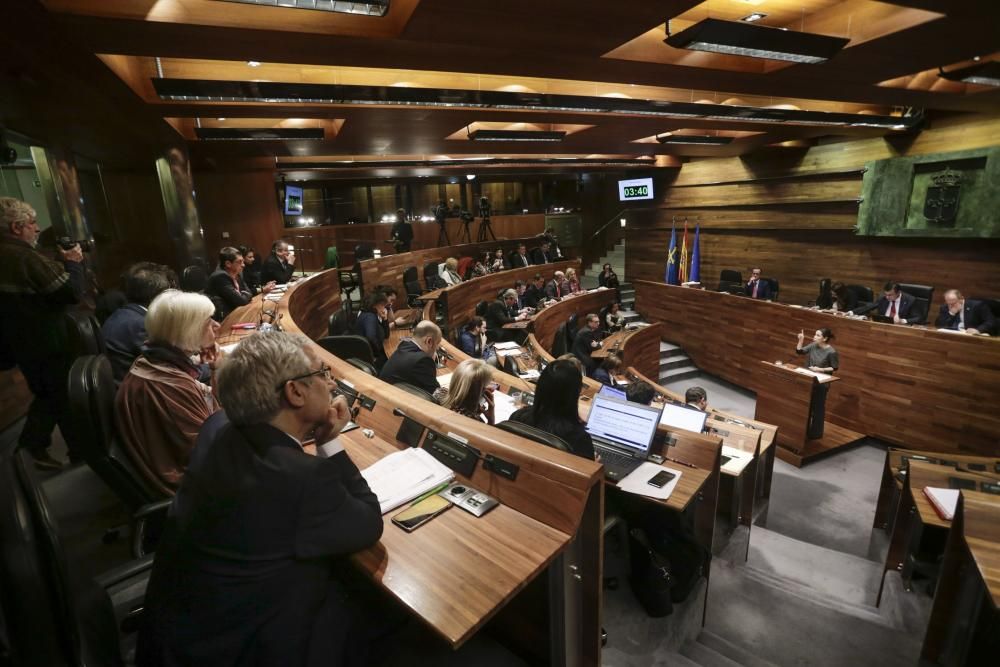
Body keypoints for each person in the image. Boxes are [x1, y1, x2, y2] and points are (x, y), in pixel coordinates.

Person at [136, 332, 383, 667]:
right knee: (371, 602)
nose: (330, 383)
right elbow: (368, 522)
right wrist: (329, 442)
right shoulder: (301, 478)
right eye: (322, 374)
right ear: (295, 392)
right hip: (242, 646)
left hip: (180, 631)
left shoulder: (217, 426)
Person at [0, 197, 86, 470]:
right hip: (46, 340)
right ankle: (75, 453)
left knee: (48, 395)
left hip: (21, 342)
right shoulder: (23, 255)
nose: (37, 229)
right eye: (33, 223)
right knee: (63, 397)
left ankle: (33, 448)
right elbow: (69, 292)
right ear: (16, 227)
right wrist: (73, 263)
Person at [115, 290, 222, 495]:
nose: (216, 326)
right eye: (209, 321)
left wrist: (215, 368)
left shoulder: (152, 361)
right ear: (189, 330)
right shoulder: (169, 386)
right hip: (191, 487)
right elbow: (214, 450)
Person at [101, 262, 176, 384]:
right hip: (140, 395)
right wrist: (214, 365)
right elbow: (173, 371)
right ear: (158, 296)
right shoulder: (141, 325)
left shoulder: (126, 314)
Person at [510, 359, 594, 460]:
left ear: (539, 386)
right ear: (575, 393)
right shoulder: (580, 440)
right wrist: (593, 464)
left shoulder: (518, 417)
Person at [795, 327, 839, 439]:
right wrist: (800, 340)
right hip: (809, 380)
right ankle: (804, 430)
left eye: (818, 335)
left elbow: (834, 368)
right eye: (815, 334)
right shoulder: (813, 345)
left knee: (818, 408)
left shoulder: (831, 352)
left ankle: (816, 433)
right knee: (806, 406)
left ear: (825, 338)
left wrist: (820, 369)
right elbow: (800, 351)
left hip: (821, 383)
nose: (814, 337)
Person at [207, 246, 275, 320]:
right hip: (223, 320)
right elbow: (241, 301)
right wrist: (244, 295)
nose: (243, 265)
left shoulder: (237, 274)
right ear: (228, 264)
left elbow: (249, 293)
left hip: (236, 313)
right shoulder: (220, 277)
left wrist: (244, 295)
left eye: (243, 261)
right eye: (239, 262)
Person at [378, 320, 442, 395]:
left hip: (386, 394)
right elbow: (437, 395)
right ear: (429, 341)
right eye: (437, 343)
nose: (437, 348)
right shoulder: (423, 360)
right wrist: (432, 364)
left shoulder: (404, 345)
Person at [437, 358, 495, 424]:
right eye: (486, 385)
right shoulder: (475, 422)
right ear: (479, 392)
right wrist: (491, 420)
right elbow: (488, 433)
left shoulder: (438, 394)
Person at [354, 292, 389, 370]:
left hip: (369, 355)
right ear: (374, 305)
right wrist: (377, 355)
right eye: (382, 305)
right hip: (371, 359)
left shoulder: (369, 314)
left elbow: (386, 335)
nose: (384, 308)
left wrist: (385, 319)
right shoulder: (370, 317)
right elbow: (371, 337)